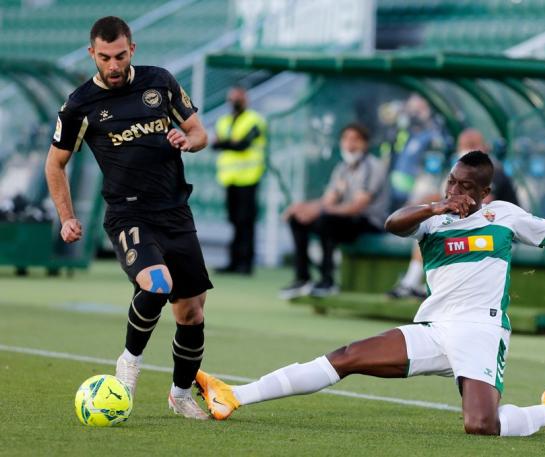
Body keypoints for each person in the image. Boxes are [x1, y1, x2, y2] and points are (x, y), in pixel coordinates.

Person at [194, 151, 545, 436]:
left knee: (480, 426)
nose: (457, 190)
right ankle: (235, 394)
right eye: (452, 181)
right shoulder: (433, 216)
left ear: (485, 193)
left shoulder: (505, 216)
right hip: (433, 327)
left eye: (467, 186)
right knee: (347, 355)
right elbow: (390, 223)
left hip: (482, 331)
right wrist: (436, 203)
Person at [45, 16, 212, 420]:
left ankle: (180, 394)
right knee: (157, 283)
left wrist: (188, 141)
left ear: (132, 49)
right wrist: (66, 217)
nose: (114, 65)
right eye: (105, 57)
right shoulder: (79, 104)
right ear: (92, 54)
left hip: (175, 211)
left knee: (191, 314)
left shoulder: (161, 82)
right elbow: (55, 165)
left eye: (120, 55)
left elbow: (200, 132)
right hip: (127, 213)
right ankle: (129, 362)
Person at [388, 128, 519, 299]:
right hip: (474, 225)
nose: (466, 150)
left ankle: (417, 284)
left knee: (442, 232)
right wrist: (422, 206)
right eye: (462, 145)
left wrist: (443, 205)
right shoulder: (459, 170)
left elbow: (480, 204)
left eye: (471, 145)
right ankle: (413, 283)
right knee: (432, 229)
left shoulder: (492, 171)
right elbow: (445, 198)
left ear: (484, 147)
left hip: (498, 229)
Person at [279, 122, 389, 299]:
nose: (350, 144)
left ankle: (327, 281)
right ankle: (302, 278)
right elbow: (327, 200)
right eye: (345, 139)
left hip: (369, 222)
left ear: (365, 144)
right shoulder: (342, 168)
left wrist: (322, 210)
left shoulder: (373, 166)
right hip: (341, 220)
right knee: (297, 219)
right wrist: (301, 208)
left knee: (326, 220)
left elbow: (357, 206)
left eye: (355, 140)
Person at [212, 87, 267, 275]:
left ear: (246, 98)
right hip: (230, 179)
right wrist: (229, 144)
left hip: (249, 179)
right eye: (232, 97)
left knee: (246, 222)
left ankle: (246, 263)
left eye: (238, 97)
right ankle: (234, 262)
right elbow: (215, 144)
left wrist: (225, 144)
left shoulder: (255, 120)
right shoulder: (224, 121)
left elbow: (243, 145)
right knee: (234, 221)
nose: (235, 100)